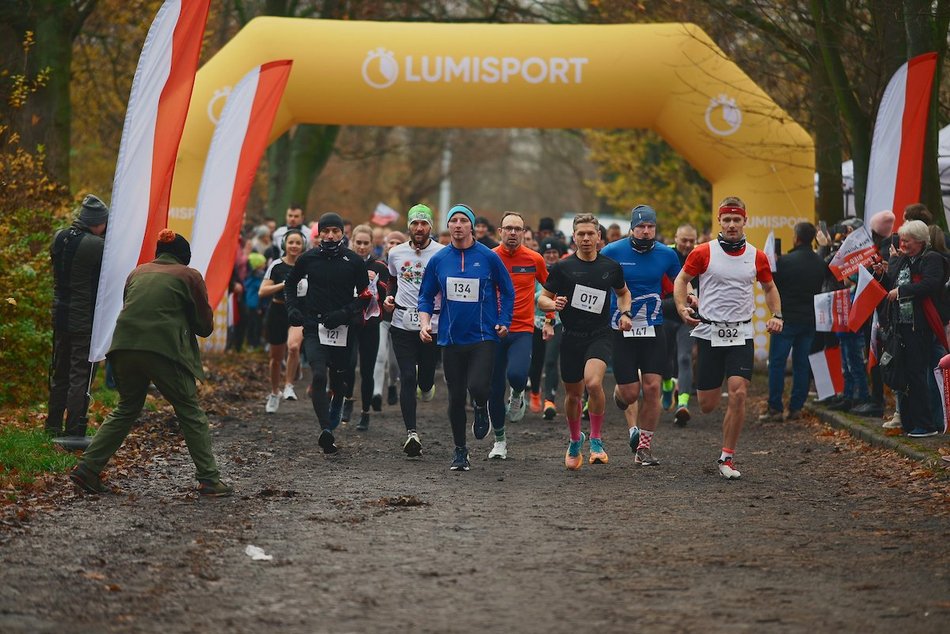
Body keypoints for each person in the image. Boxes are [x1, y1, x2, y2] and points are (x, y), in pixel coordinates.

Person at [69, 229, 232, 496]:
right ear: (184, 257)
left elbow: (132, 307)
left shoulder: (136, 273)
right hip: (162, 351)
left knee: (126, 408)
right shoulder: (189, 276)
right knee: (190, 411)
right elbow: (204, 327)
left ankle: (87, 468)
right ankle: (210, 479)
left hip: (122, 347)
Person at [674, 197, 783, 480]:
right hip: (710, 332)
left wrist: (777, 315)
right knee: (707, 405)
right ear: (719, 222)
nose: (732, 225)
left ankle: (727, 457)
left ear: (744, 221)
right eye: (727, 220)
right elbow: (681, 281)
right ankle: (687, 389)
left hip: (741, 332)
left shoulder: (757, 256)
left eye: (737, 220)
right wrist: (682, 306)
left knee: (738, 392)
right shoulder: (702, 252)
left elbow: (770, 287)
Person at [418, 204, 514, 471]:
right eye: (453, 221)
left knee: (479, 386)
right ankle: (460, 450)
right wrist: (425, 324)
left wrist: (503, 322)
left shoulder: (488, 257)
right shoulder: (438, 260)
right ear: (448, 226)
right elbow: (425, 295)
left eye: (463, 221)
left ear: (472, 226)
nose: (458, 225)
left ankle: (481, 406)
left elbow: (507, 292)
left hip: (483, 336)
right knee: (455, 397)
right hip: (450, 339)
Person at [539, 213, 632, 470]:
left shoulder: (610, 267)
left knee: (593, 383)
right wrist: (553, 304)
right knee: (573, 395)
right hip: (571, 337)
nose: (586, 238)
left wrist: (625, 313)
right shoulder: (563, 267)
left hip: (600, 335)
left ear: (599, 237)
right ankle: (574, 439)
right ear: (574, 236)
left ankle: (597, 439)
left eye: (591, 233)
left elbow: (623, 293)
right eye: (581, 234)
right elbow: (542, 299)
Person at [602, 205, 681, 466]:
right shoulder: (613, 251)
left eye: (650, 227)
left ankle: (644, 448)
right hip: (621, 328)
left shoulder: (667, 254)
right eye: (641, 227)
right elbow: (596, 279)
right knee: (630, 394)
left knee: (652, 388)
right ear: (632, 228)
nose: (646, 232)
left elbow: (680, 281)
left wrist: (688, 295)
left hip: (652, 326)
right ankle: (620, 393)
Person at [285, 213, 370, 454]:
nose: (330, 235)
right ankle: (326, 430)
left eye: (335, 230)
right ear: (319, 233)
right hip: (315, 326)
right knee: (319, 375)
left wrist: (345, 313)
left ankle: (338, 402)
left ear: (343, 233)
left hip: (343, 328)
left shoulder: (353, 261)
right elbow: (291, 284)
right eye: (326, 231)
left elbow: (365, 297)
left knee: (339, 378)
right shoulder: (308, 259)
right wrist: (293, 309)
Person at [872, 220, 949, 437]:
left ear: (921, 241)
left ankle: (926, 424)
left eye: (907, 240)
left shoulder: (932, 259)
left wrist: (902, 290)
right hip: (900, 326)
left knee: (917, 374)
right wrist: (881, 273)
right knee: (902, 373)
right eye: (901, 240)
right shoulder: (902, 259)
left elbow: (930, 284)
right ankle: (908, 421)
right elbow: (890, 283)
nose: (902, 244)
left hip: (920, 326)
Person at [487, 211, 552, 460]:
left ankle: (517, 394)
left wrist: (548, 320)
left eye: (518, 229)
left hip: (523, 329)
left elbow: (550, 290)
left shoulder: (534, 259)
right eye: (508, 228)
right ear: (500, 232)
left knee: (516, 375)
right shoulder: (490, 258)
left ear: (525, 233)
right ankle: (500, 441)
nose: (513, 233)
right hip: (493, 331)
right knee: (494, 388)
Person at [47, 195, 110, 445]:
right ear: (98, 222)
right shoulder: (96, 245)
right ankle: (73, 430)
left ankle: (52, 427)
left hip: (60, 315)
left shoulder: (59, 237)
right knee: (79, 375)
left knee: (60, 372)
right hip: (83, 320)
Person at [383, 205, 445, 456]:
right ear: (408, 226)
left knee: (426, 378)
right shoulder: (396, 252)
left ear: (430, 226)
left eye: (424, 223)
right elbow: (392, 281)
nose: (419, 228)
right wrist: (389, 298)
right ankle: (412, 433)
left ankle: (427, 384)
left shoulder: (442, 253)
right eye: (415, 223)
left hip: (432, 324)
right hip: (402, 323)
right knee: (407, 376)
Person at [764, 222, 829, 421]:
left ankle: (775, 408)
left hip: (786, 320)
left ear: (796, 237)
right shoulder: (820, 263)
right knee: (802, 364)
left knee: (777, 363)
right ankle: (796, 408)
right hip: (809, 320)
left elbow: (774, 287)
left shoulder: (785, 262)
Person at [342, 224, 390, 430]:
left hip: (371, 324)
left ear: (372, 244)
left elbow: (386, 294)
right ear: (352, 242)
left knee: (368, 370)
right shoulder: (344, 264)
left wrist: (379, 290)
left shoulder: (380, 267)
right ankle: (347, 400)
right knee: (348, 365)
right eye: (358, 243)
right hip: (349, 322)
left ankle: (365, 412)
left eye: (365, 243)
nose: (361, 247)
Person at [259, 229, 306, 413]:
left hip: (298, 311)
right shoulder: (276, 266)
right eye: (291, 242)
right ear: (284, 245)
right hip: (278, 309)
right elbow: (262, 291)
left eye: (298, 243)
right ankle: (274, 392)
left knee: (294, 347)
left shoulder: (306, 265)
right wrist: (284, 284)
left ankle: (289, 385)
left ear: (303, 246)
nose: (294, 246)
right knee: (275, 358)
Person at [661, 224, 699, 426]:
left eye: (691, 240)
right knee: (665, 357)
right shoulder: (665, 254)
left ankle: (682, 404)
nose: (687, 244)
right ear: (675, 238)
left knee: (684, 357)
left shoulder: (701, 255)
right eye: (684, 240)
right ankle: (667, 386)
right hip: (667, 313)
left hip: (688, 317)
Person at [372, 230, 407, 411]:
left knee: (394, 362)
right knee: (379, 355)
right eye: (389, 242)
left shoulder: (407, 267)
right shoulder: (378, 266)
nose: (392, 246)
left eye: (396, 242)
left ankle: (392, 384)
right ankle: (377, 393)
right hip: (381, 318)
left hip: (399, 320)